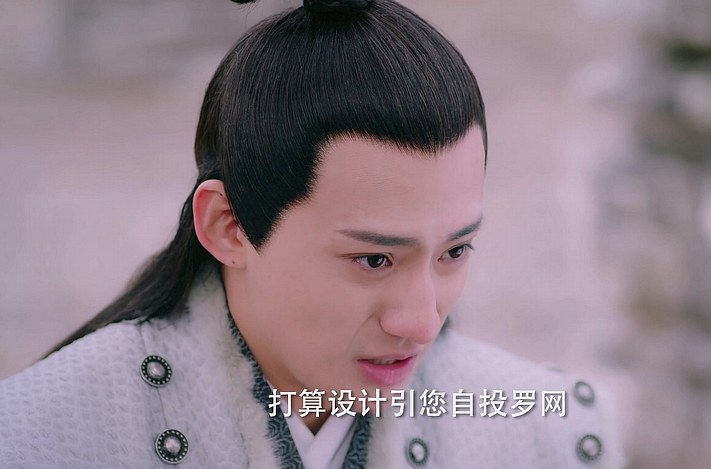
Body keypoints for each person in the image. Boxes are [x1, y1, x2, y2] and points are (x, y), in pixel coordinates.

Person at [0, 0, 621, 467]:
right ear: (228, 226)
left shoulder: (545, 434)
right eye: (374, 260)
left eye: (454, 252)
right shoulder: (37, 436)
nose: (420, 322)